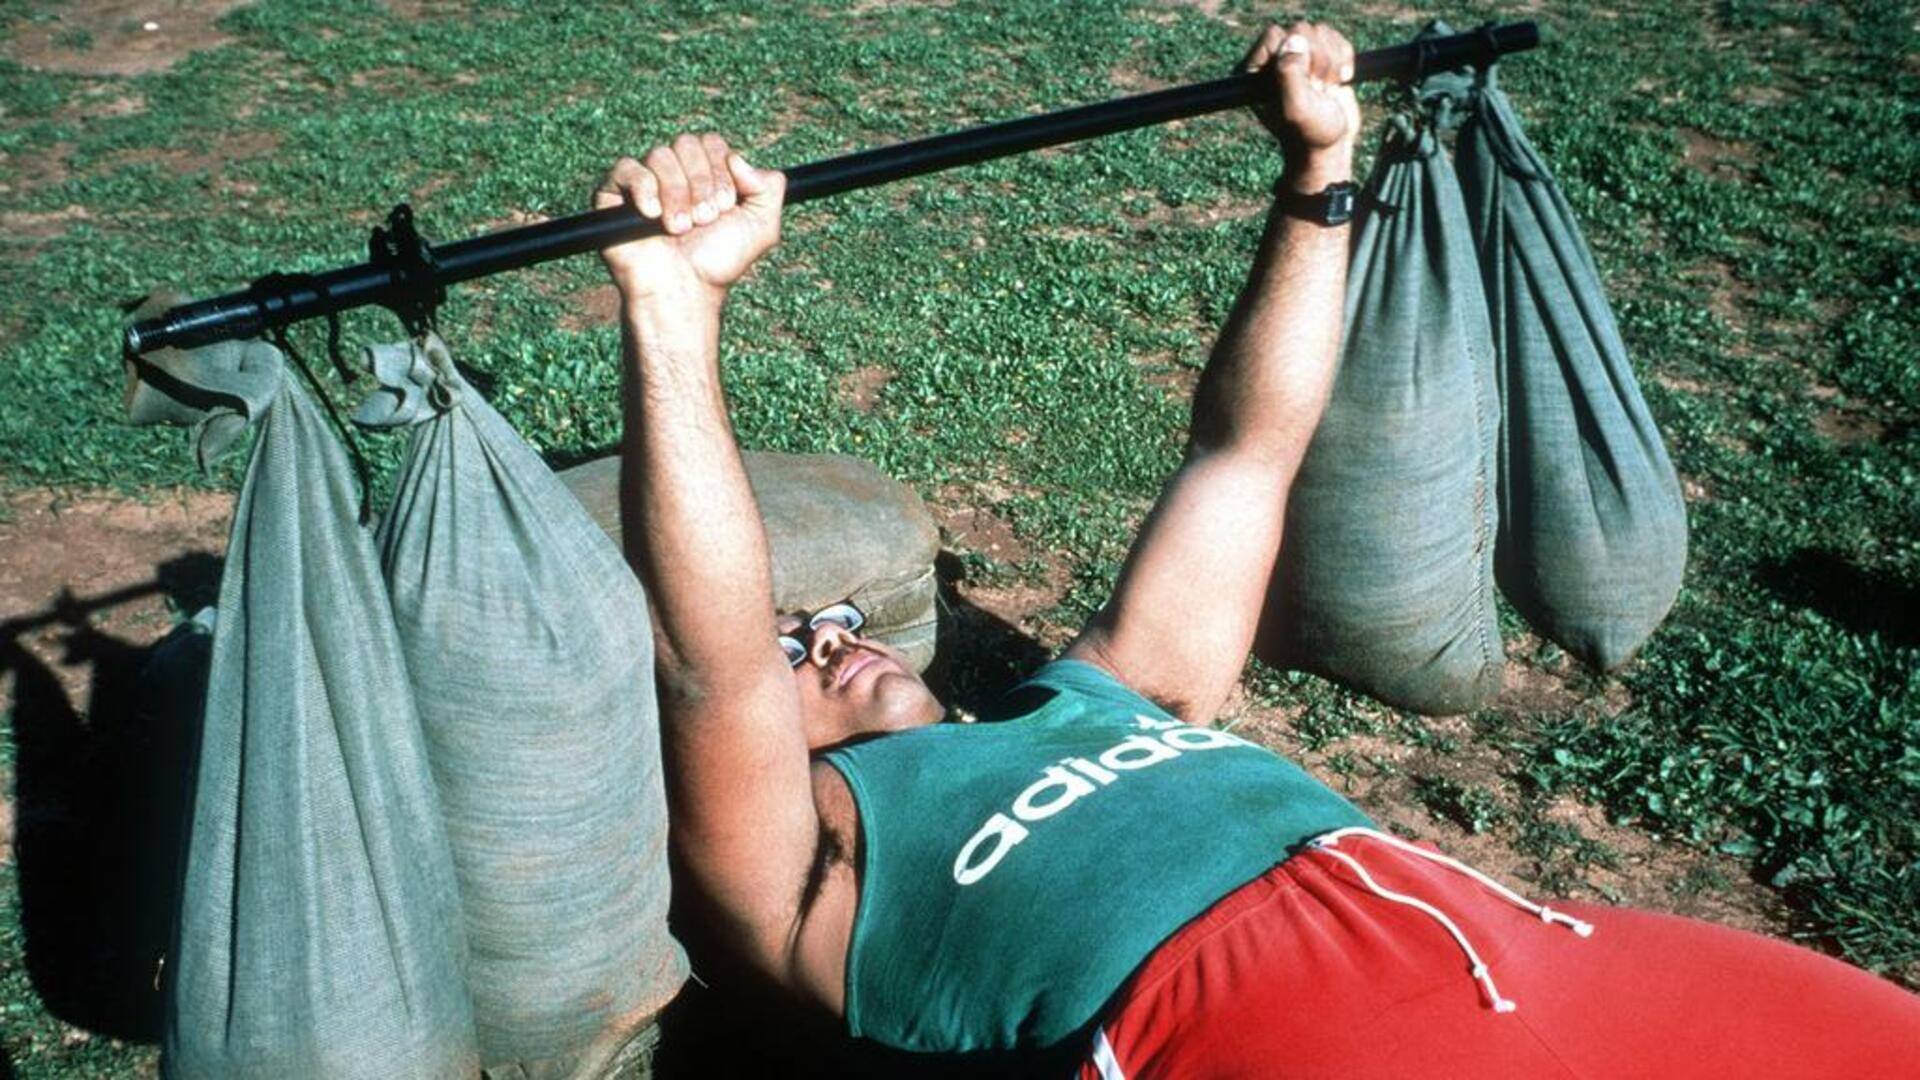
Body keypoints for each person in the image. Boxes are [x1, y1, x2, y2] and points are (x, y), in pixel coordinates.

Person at [592, 19, 1920, 1078]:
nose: (835, 631)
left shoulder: (1106, 695)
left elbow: (1248, 457)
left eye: (829, 614)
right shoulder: (811, 865)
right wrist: (672, 311)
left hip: (1538, 946)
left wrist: (1316, 176)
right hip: (1254, 1026)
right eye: (797, 647)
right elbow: (708, 665)